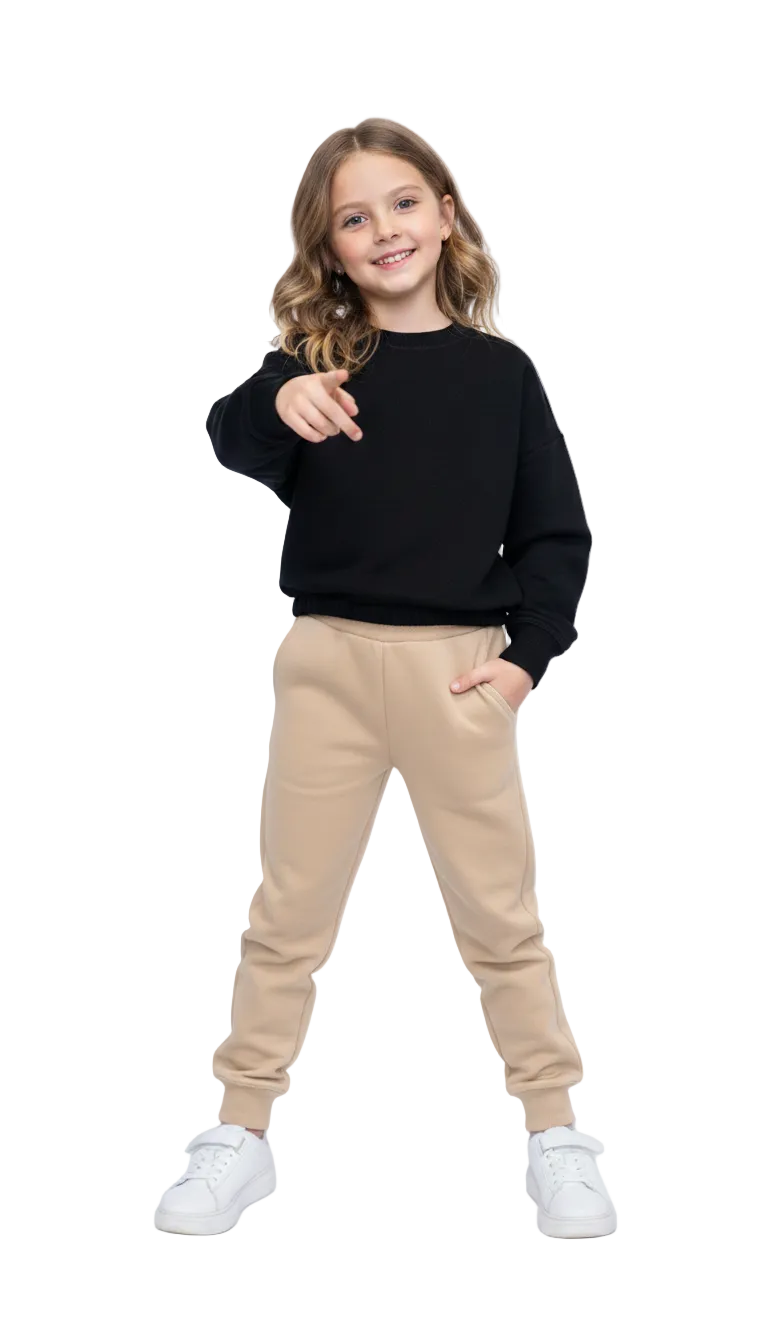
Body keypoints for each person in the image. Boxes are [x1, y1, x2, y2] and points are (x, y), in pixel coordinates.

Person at [154, 117, 617, 1239]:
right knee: (287, 915)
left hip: (459, 675)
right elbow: (229, 433)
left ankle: (554, 1130)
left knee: (500, 917)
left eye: (404, 203)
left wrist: (523, 663)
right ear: (330, 246)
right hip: (326, 667)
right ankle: (241, 1130)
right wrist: (278, 400)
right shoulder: (315, 368)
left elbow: (555, 534)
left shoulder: (502, 375)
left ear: (446, 214)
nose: (384, 229)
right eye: (353, 217)